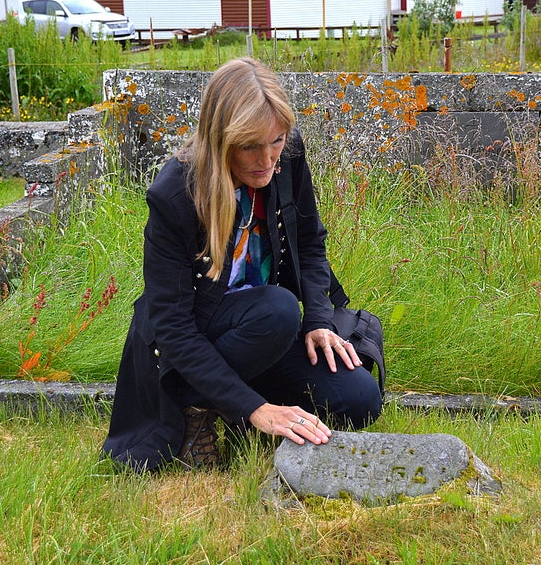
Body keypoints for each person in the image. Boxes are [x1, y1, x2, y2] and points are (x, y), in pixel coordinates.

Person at [101, 57, 383, 473]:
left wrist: (319, 320)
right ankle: (197, 407)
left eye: (277, 141)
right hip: (195, 345)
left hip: (268, 332)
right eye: (250, 145)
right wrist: (255, 408)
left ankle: (235, 401)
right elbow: (173, 328)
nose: (267, 159)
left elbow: (309, 241)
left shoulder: (286, 159)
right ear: (220, 140)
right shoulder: (174, 196)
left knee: (358, 399)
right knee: (278, 308)